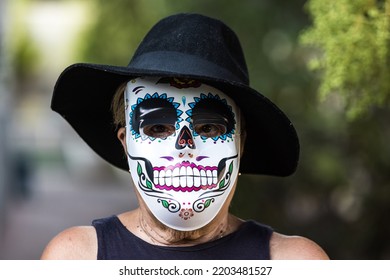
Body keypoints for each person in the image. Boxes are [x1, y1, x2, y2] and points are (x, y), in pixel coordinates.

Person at [41, 13, 329, 260]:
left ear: (241, 143)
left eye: (209, 128)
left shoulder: (293, 263)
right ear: (125, 141)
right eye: (157, 128)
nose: (185, 145)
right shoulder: (75, 260)